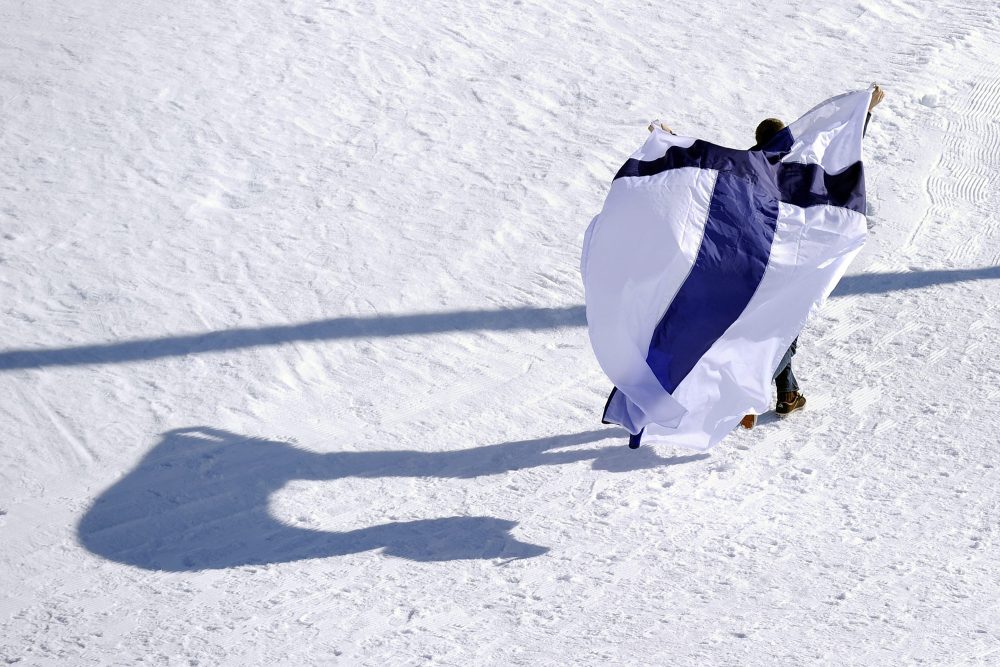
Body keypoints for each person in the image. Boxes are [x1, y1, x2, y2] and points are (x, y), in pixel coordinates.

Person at [740, 84, 886, 429]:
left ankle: (787, 395)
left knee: (776, 324)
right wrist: (863, 112)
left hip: (756, 261)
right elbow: (839, 147)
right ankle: (748, 393)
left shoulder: (749, 168)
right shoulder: (800, 161)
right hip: (793, 260)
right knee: (784, 325)